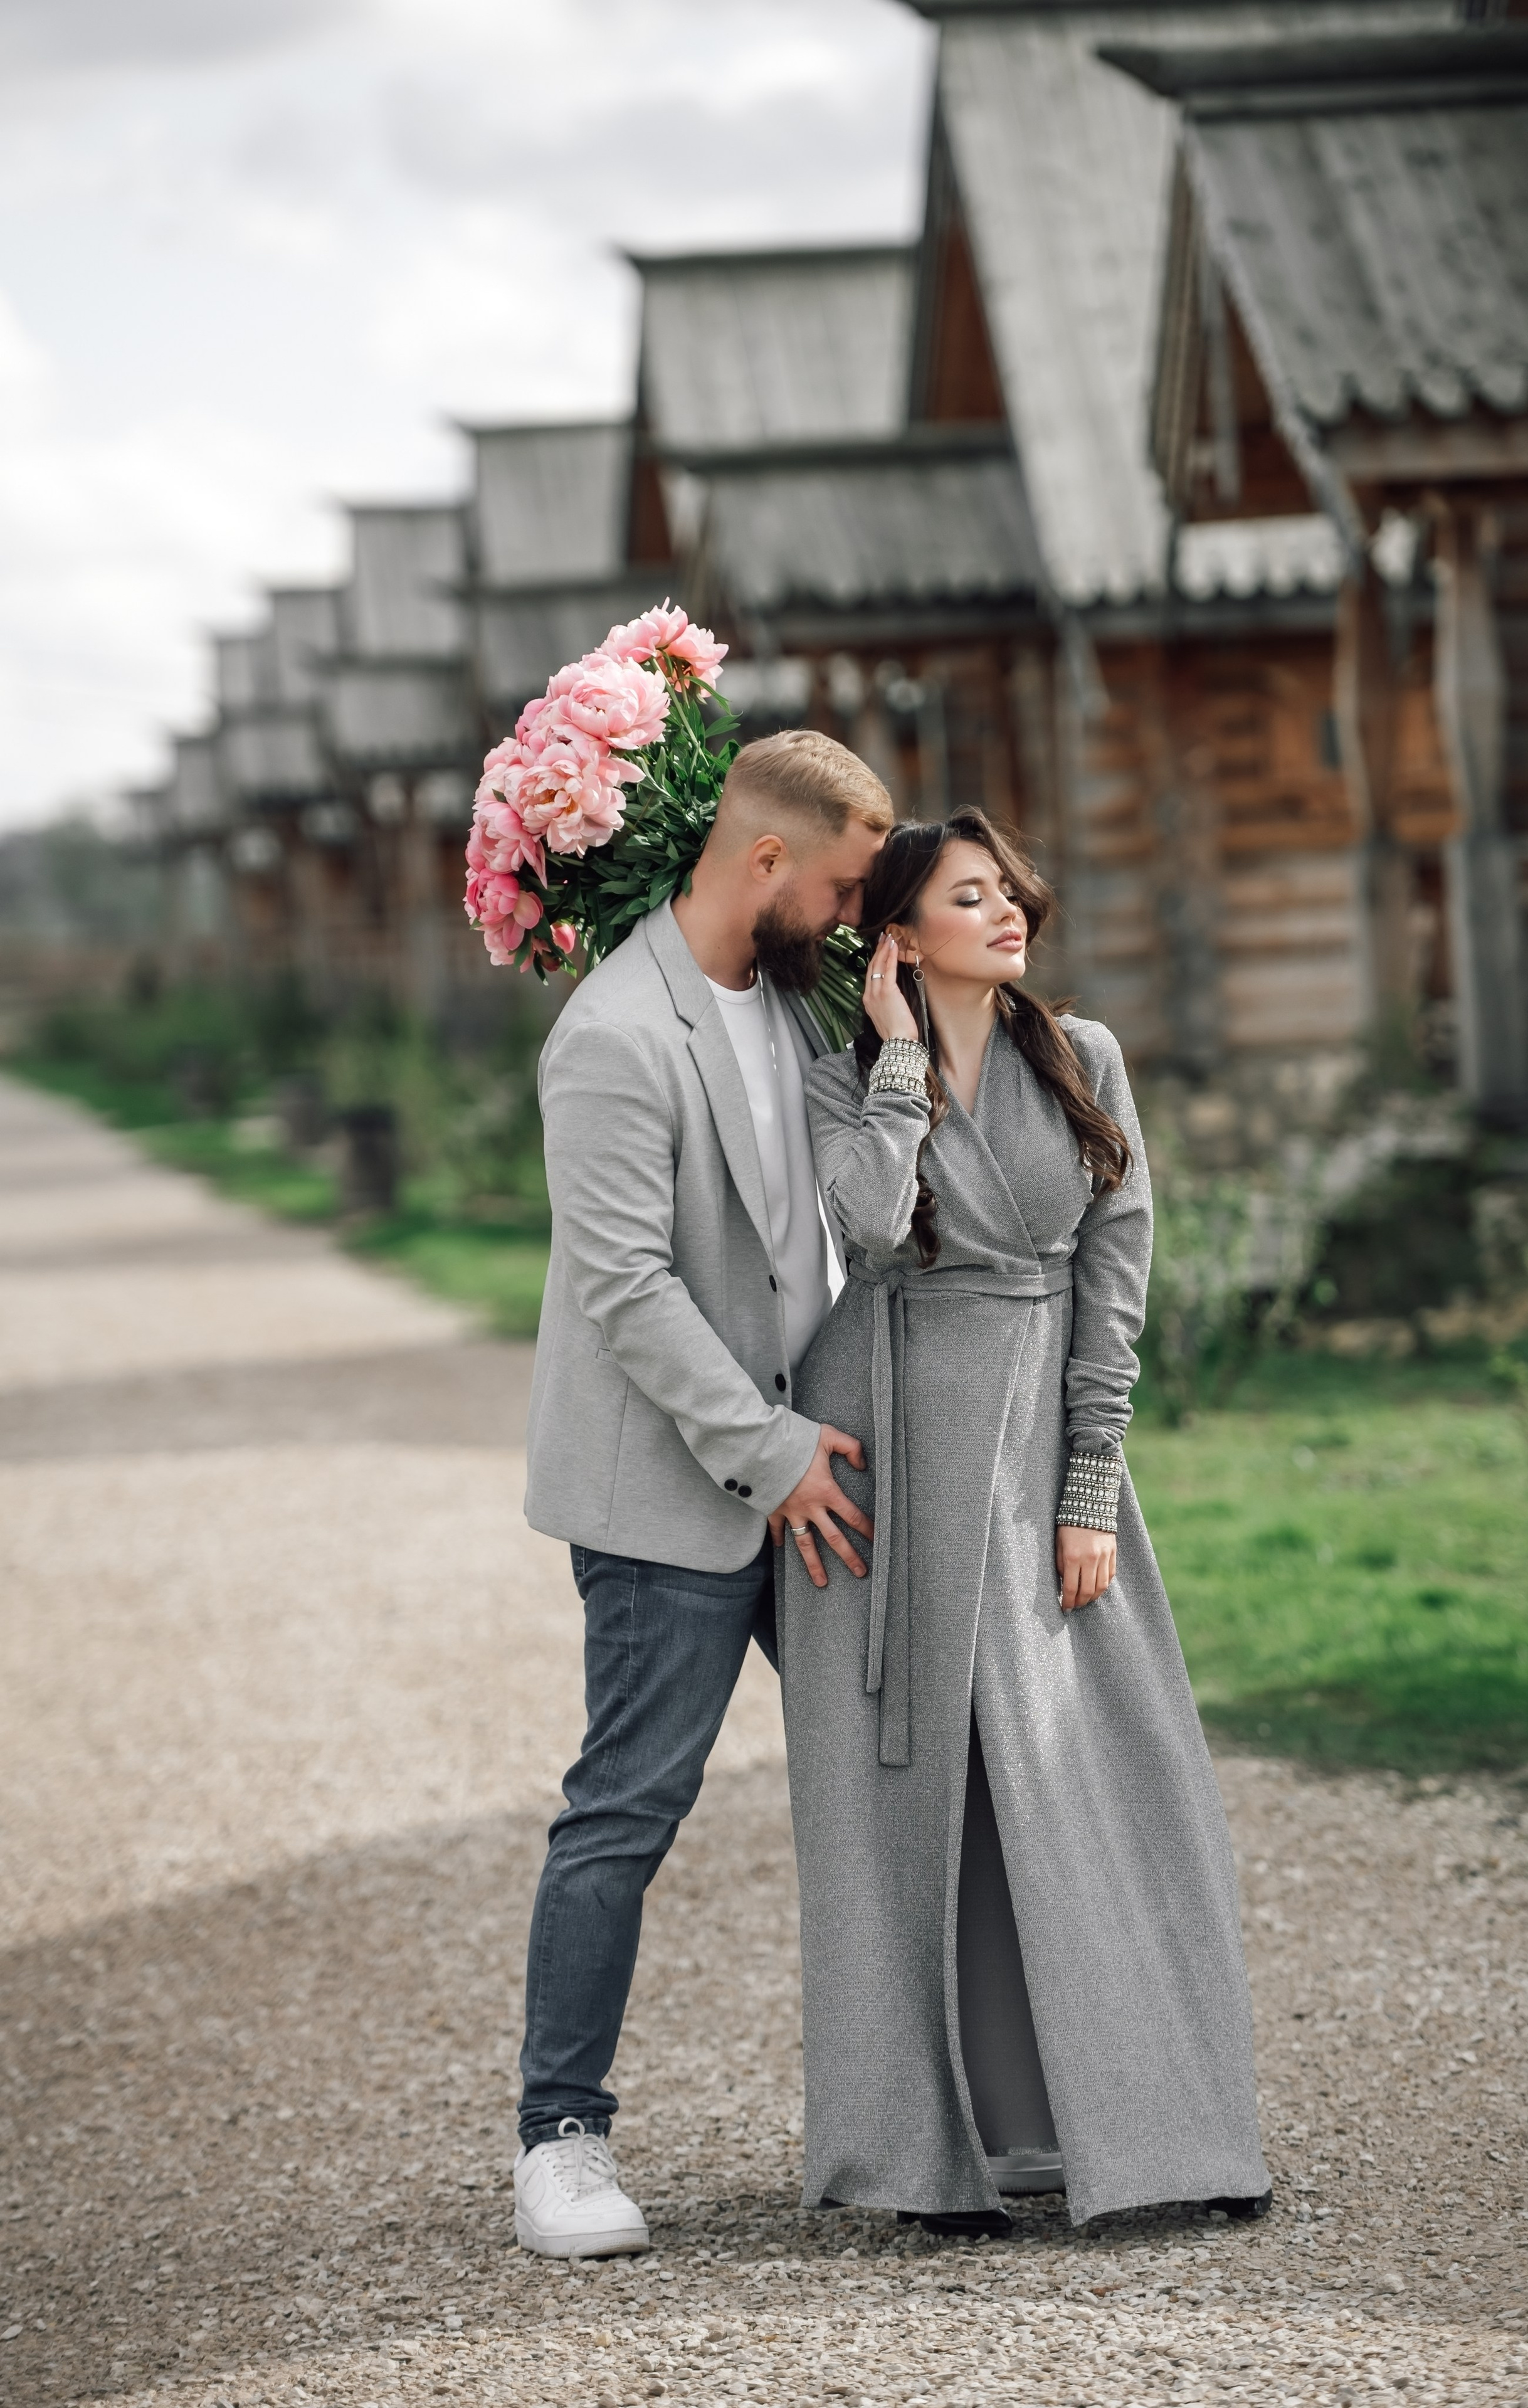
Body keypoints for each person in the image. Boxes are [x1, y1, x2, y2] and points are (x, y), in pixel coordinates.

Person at [777, 810, 1272, 2236]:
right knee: (920, 1803)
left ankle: (1152, 2127)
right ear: (898, 937)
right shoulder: (841, 1078)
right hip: (887, 1450)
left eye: (1010, 893)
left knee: (1105, 1774)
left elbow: (1116, 1278)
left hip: (1044, 1442)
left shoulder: (1084, 1057)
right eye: (967, 897)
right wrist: (895, 1069)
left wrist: (1087, 1489)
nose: (1007, 915)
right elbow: (868, 1228)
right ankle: (938, 2154)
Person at [513, 728, 892, 2258]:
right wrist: (772, 1453)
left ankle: (932, 2109)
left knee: (900, 1766)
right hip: (677, 1488)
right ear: (763, 863)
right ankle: (558, 2144)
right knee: (624, 1810)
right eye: (846, 882)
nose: (858, 909)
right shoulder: (610, 1035)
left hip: (817, 1463)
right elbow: (623, 1285)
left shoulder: (802, 1000)